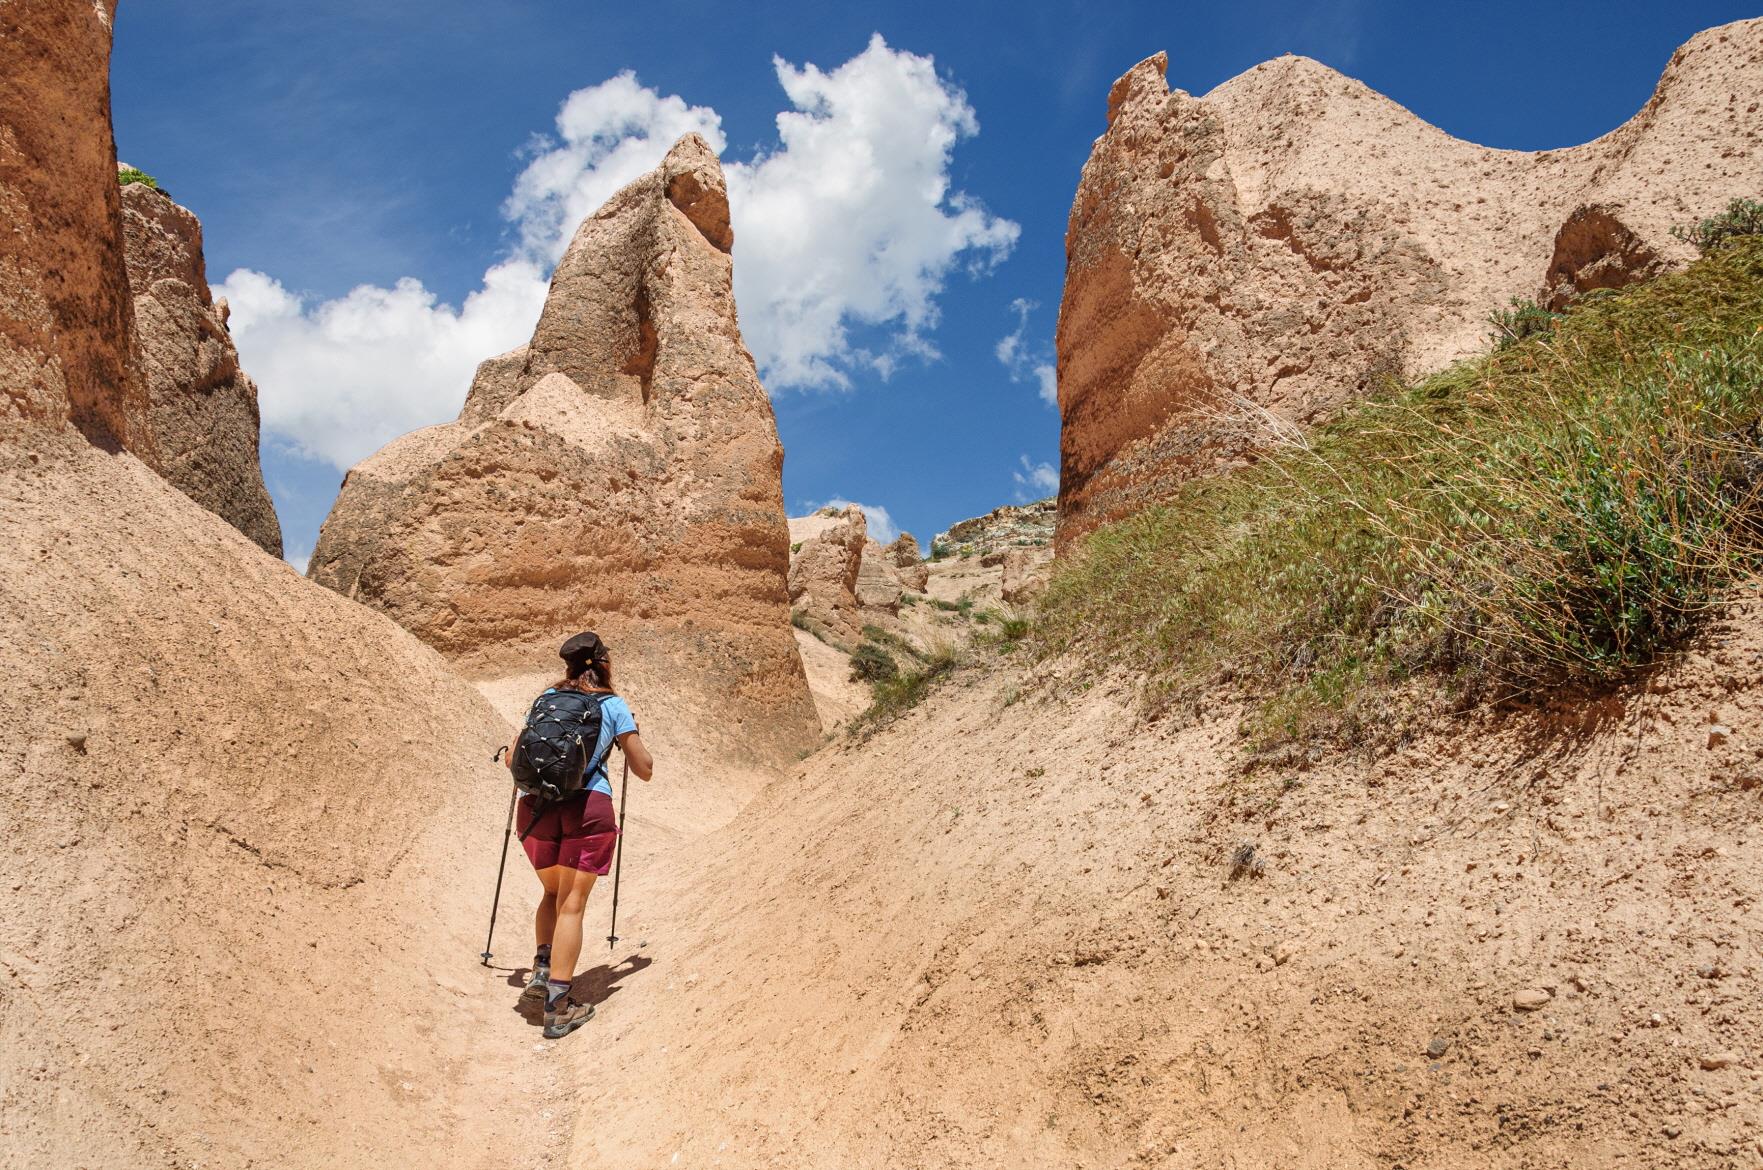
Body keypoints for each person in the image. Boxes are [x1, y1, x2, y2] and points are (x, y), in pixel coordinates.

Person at [505, 631, 653, 1039]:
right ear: (604, 663)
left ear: (568, 666)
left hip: (535, 810)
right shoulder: (612, 705)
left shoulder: (544, 702)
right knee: (573, 904)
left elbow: (514, 757)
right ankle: (559, 1005)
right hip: (587, 808)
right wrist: (629, 735)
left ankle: (542, 968)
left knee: (552, 894)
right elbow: (644, 768)